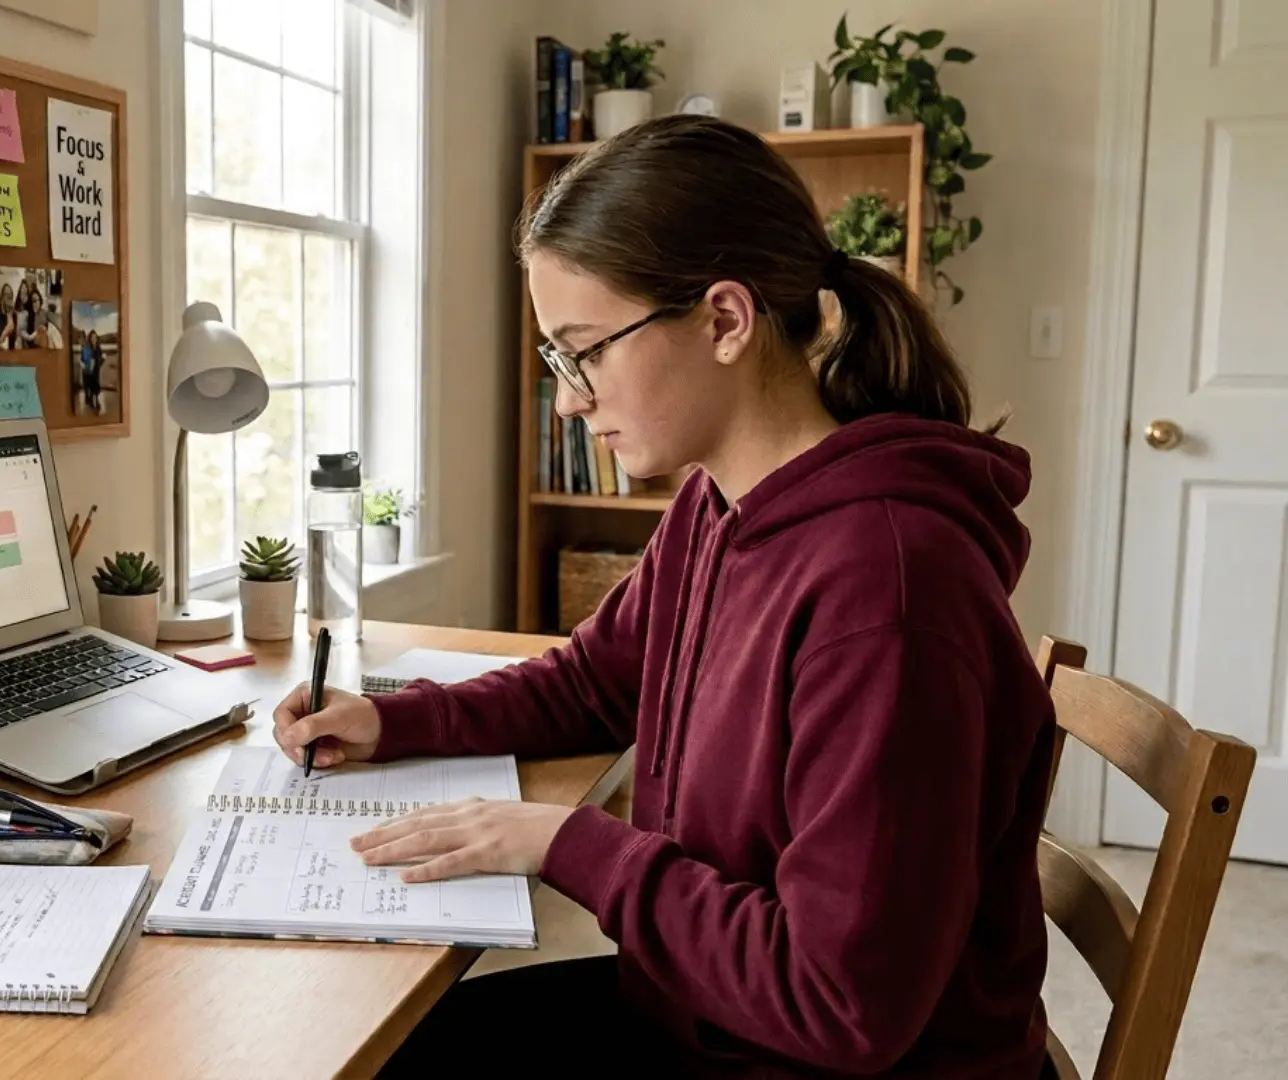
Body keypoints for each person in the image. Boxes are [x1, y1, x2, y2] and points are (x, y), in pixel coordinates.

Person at [273, 115, 1055, 1078]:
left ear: (725, 320)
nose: (566, 399)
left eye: (584, 351)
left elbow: (843, 1005)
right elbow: (594, 684)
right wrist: (395, 723)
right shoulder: (719, 501)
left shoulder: (887, 593)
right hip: (706, 1014)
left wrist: (572, 844)